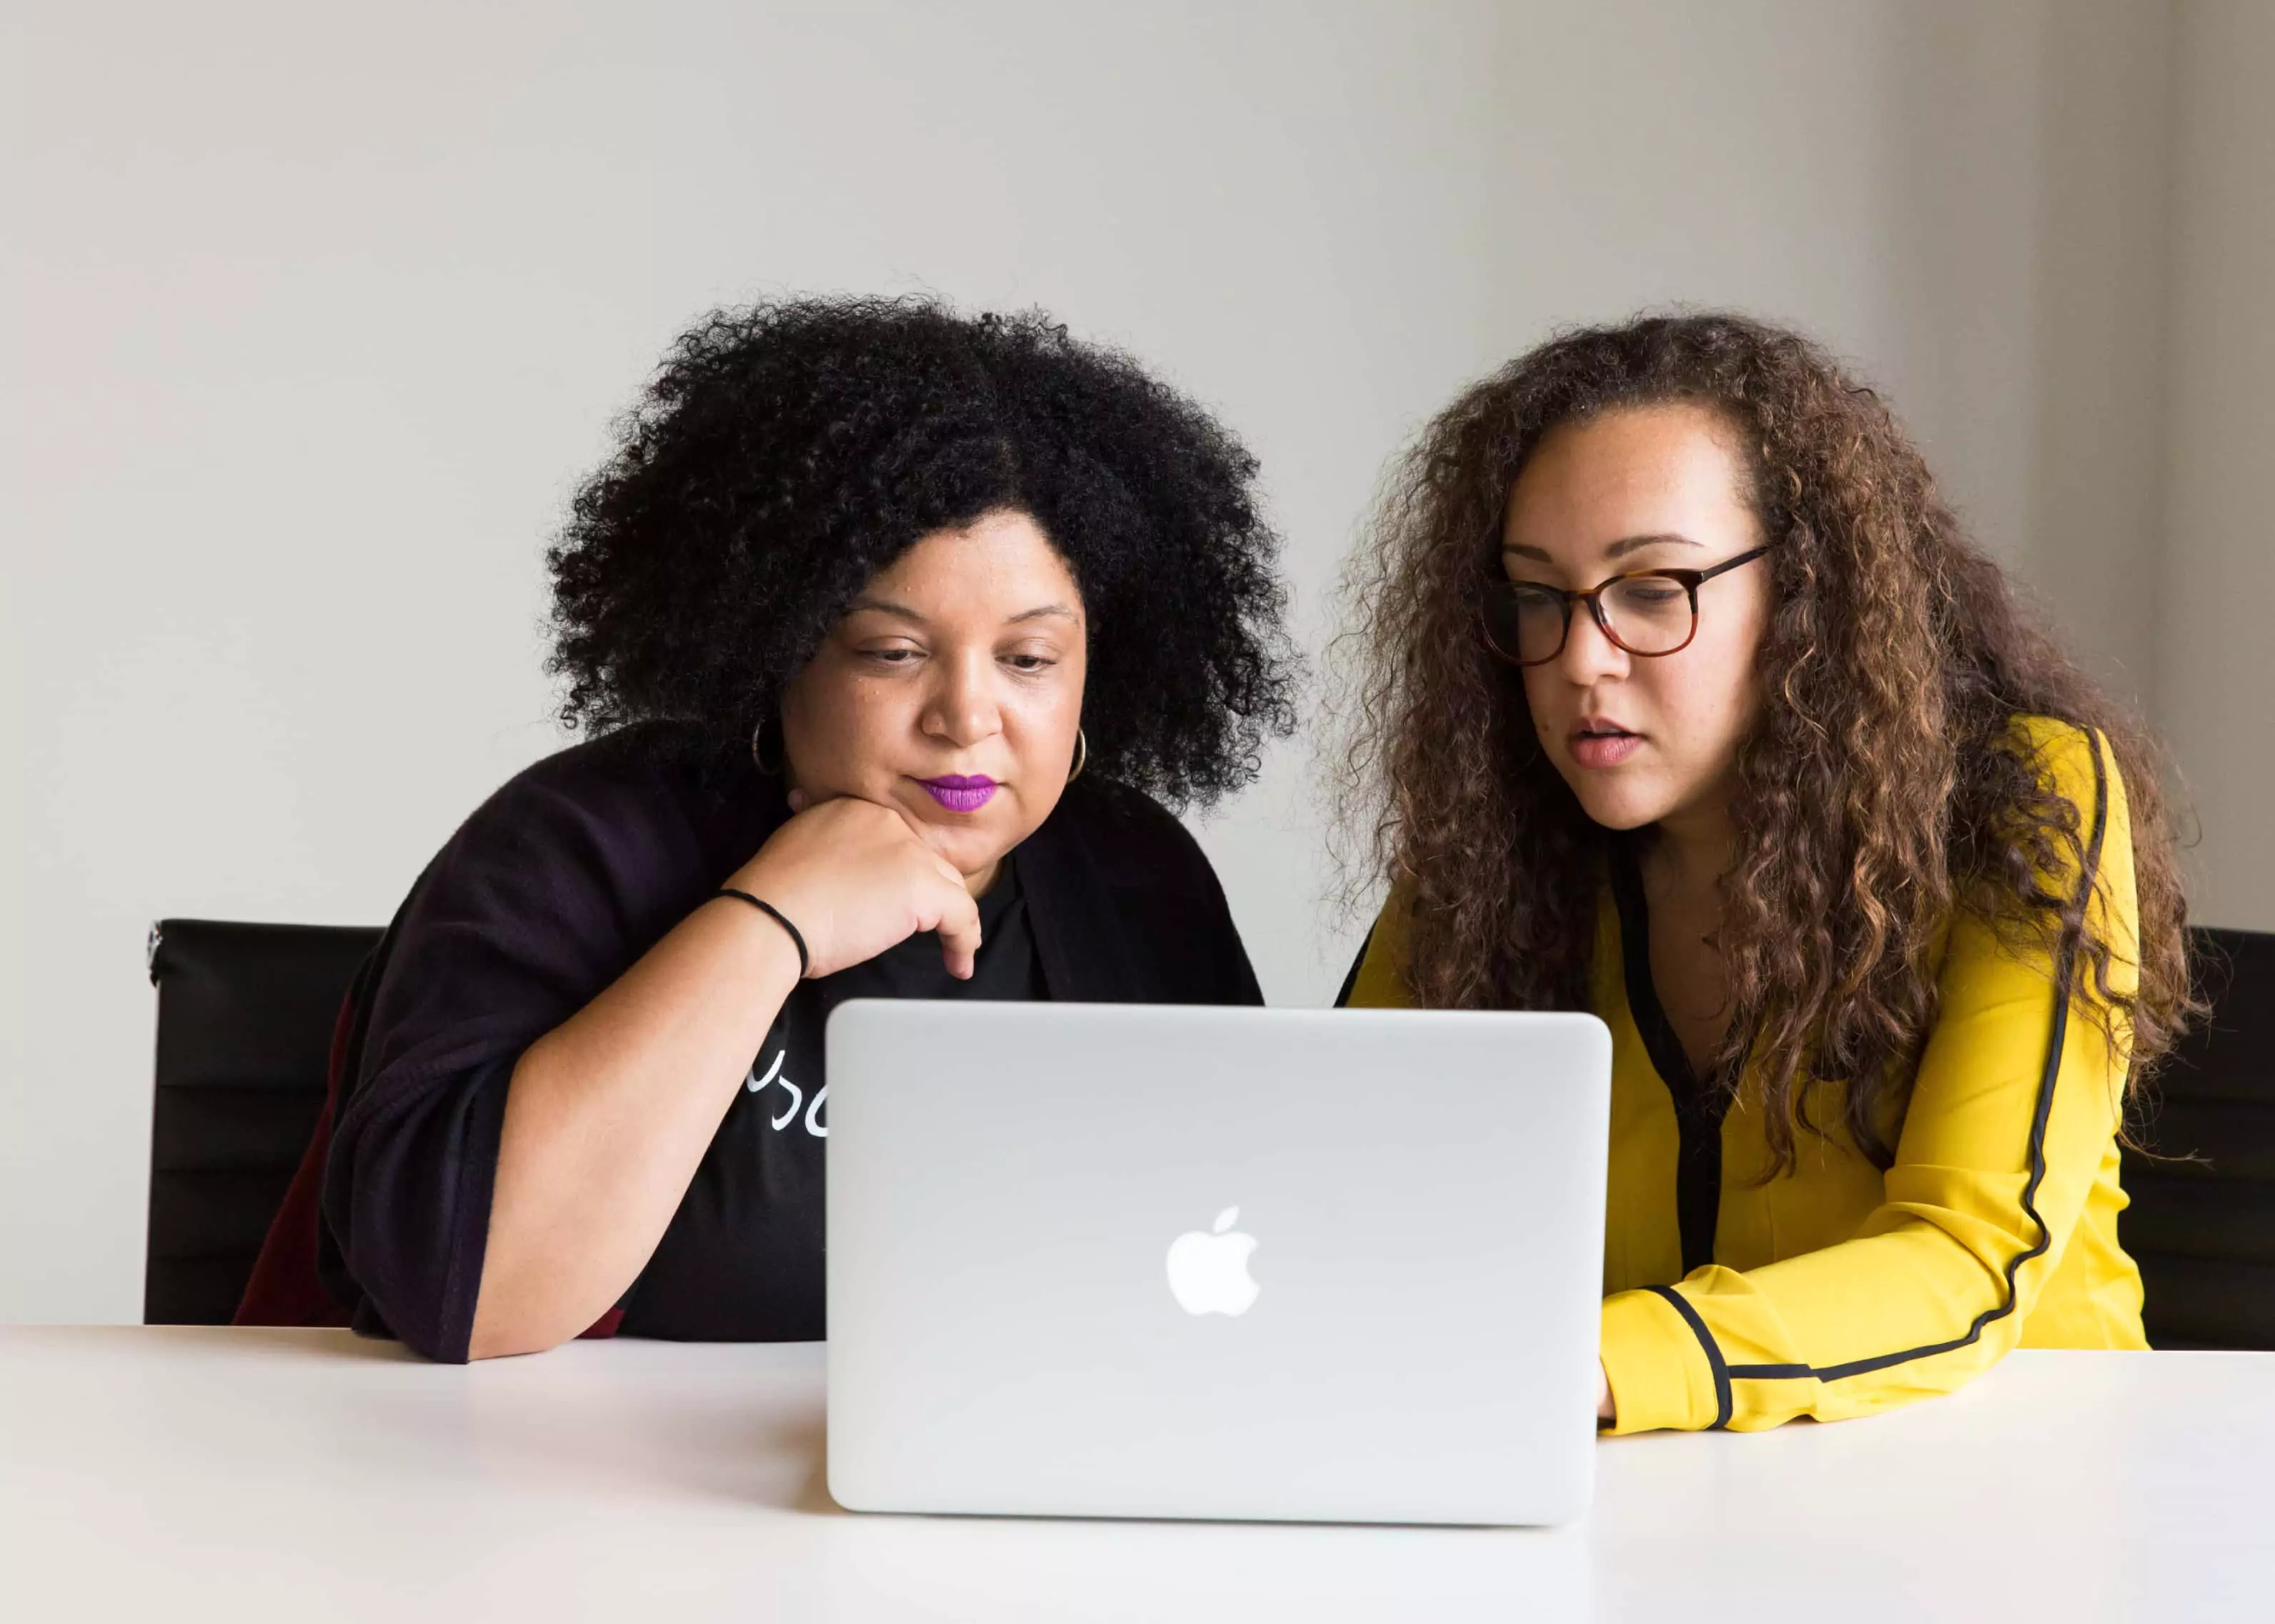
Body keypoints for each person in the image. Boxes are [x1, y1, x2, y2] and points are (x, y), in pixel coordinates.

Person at [258, 297, 1295, 1362]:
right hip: (552, 1499)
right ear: (780, 643)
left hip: (1002, 1494)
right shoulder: (581, 843)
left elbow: (1255, 1252)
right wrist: (771, 918)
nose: (967, 717)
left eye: (1028, 660)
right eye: (892, 652)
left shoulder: (1133, 876)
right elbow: (469, 1300)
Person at [1334, 312, 2196, 1433]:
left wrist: (1583, 1365)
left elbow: (1965, 1260)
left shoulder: (2021, 803)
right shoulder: (1496, 842)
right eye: (1538, 597)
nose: (1581, 658)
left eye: (1652, 589)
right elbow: (1338, 1181)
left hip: (2012, 1498)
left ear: (1805, 599)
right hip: (1627, 1504)